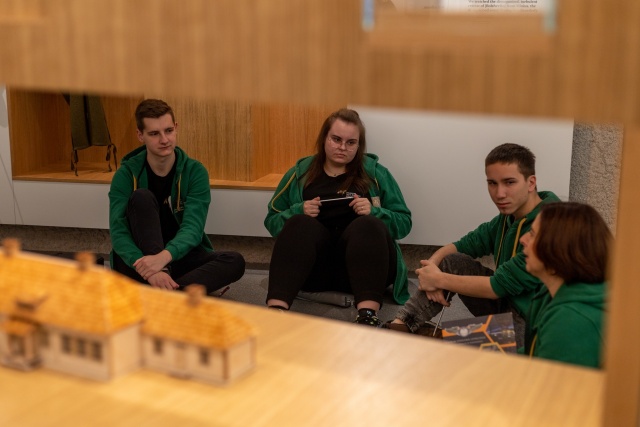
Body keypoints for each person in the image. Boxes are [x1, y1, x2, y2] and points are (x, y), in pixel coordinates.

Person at [386, 143, 560, 342]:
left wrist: (438, 280)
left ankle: (446, 337)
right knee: (452, 260)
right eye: (492, 183)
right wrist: (431, 267)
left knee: (451, 345)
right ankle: (401, 326)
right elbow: (464, 244)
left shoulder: (551, 225)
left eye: (509, 182)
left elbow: (497, 286)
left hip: (533, 327)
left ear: (531, 183)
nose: (499, 193)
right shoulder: (510, 215)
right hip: (506, 304)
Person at [264, 108, 412, 326]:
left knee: (368, 224)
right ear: (324, 138)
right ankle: (276, 311)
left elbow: (405, 223)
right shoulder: (299, 173)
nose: (342, 147)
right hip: (315, 270)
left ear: (359, 145)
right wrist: (298, 210)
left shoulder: (377, 173)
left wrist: (375, 212)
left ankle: (367, 315)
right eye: (336, 139)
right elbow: (271, 221)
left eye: (351, 142)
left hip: (365, 270)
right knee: (300, 222)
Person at [109, 99, 245, 294]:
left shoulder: (195, 171)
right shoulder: (125, 174)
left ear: (176, 128)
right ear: (140, 135)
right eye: (154, 134)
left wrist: (163, 258)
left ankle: (165, 294)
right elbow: (118, 231)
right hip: (139, 260)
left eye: (169, 131)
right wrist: (154, 270)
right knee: (141, 197)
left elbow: (193, 229)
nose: (164, 139)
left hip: (177, 255)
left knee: (234, 261)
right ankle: (173, 291)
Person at [520, 202, 610, 368]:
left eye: (532, 234)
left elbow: (549, 382)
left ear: (557, 248)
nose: (522, 240)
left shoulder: (571, 321)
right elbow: (536, 350)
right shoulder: (549, 294)